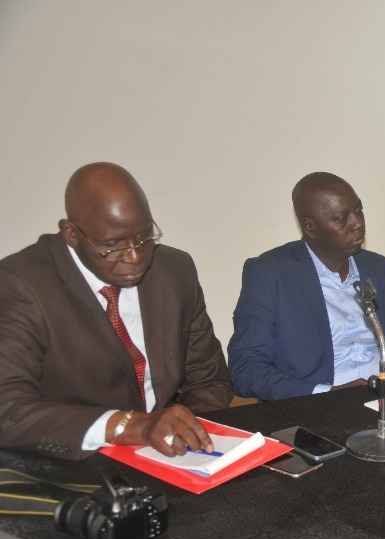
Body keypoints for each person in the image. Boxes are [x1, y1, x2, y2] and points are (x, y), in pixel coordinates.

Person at [0, 162, 233, 461]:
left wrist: (187, 441)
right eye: (112, 245)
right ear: (71, 233)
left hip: (171, 460)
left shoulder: (175, 270)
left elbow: (209, 380)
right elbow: (8, 409)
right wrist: (131, 427)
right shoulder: (21, 285)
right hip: (74, 463)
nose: (135, 257)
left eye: (144, 237)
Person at [228, 172, 385, 400]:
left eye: (359, 211)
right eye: (342, 219)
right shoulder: (270, 274)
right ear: (309, 227)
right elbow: (246, 369)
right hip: (321, 407)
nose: (358, 224)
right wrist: (327, 394)